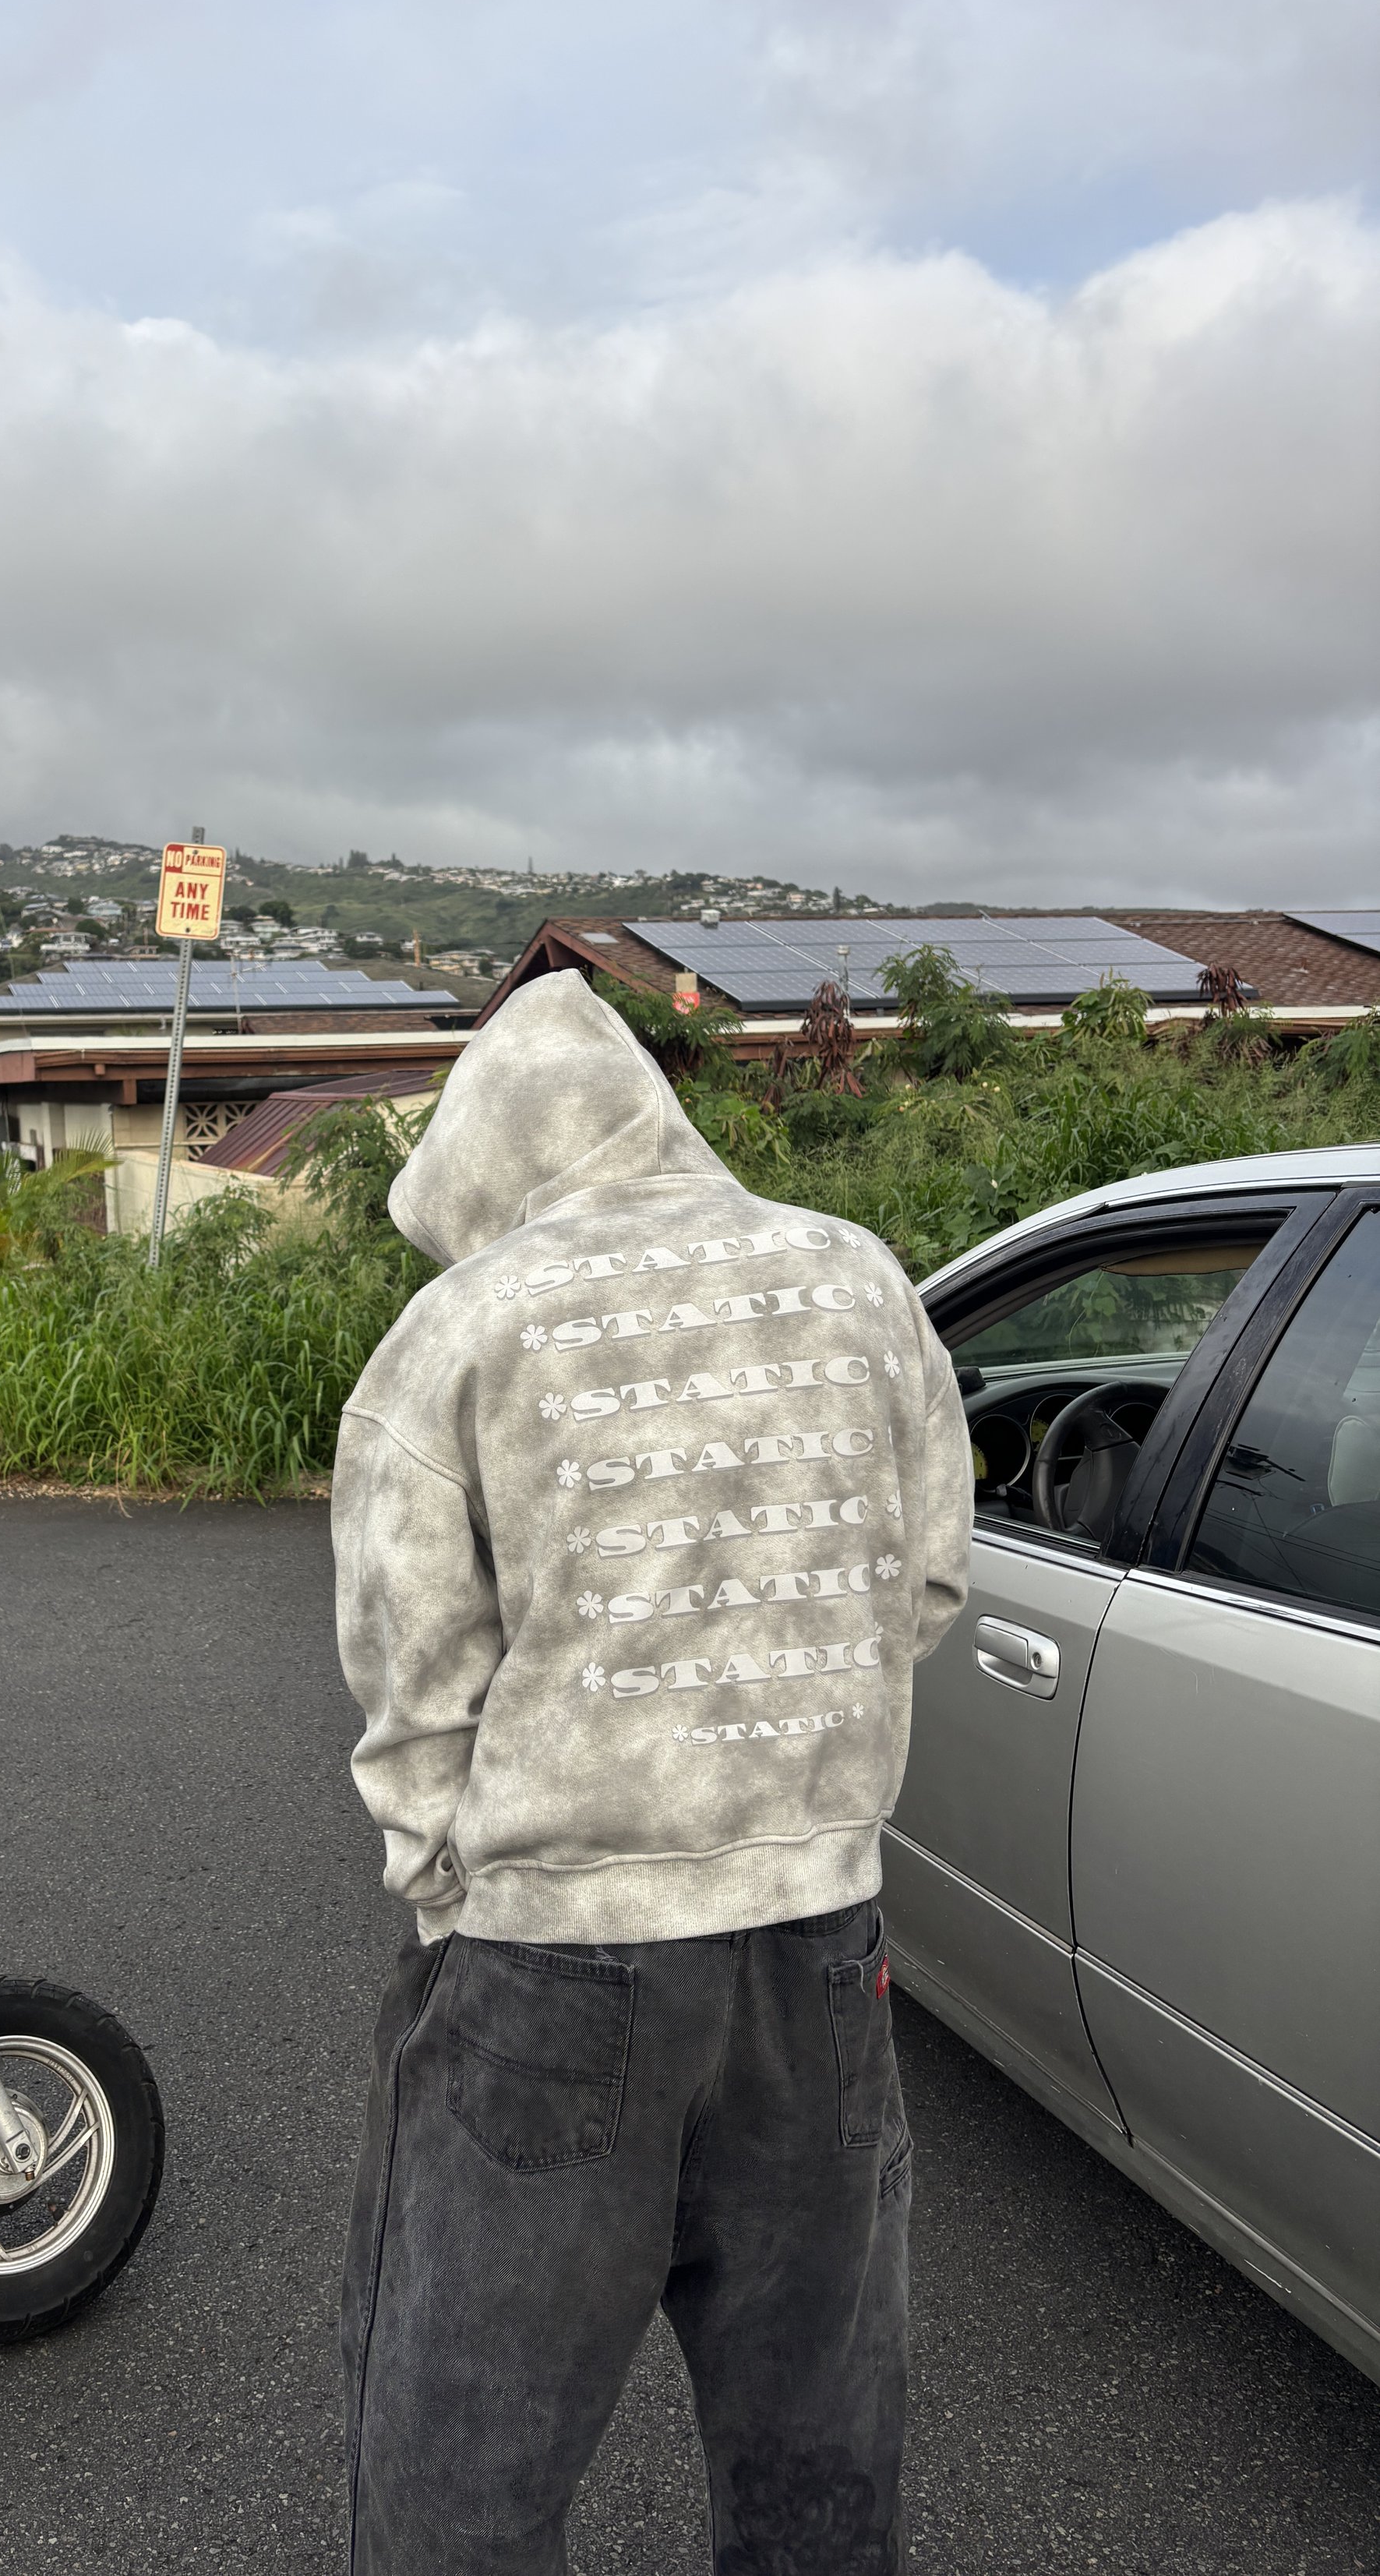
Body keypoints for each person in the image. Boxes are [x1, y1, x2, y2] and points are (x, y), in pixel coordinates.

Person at [331, 969, 973, 2575]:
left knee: (461, 2476)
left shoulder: (458, 1331)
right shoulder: (858, 1280)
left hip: (552, 1955)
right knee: (815, 2456)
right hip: (821, 1942)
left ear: (481, 1151)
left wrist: (449, 1893)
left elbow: (411, 1683)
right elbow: (925, 1584)